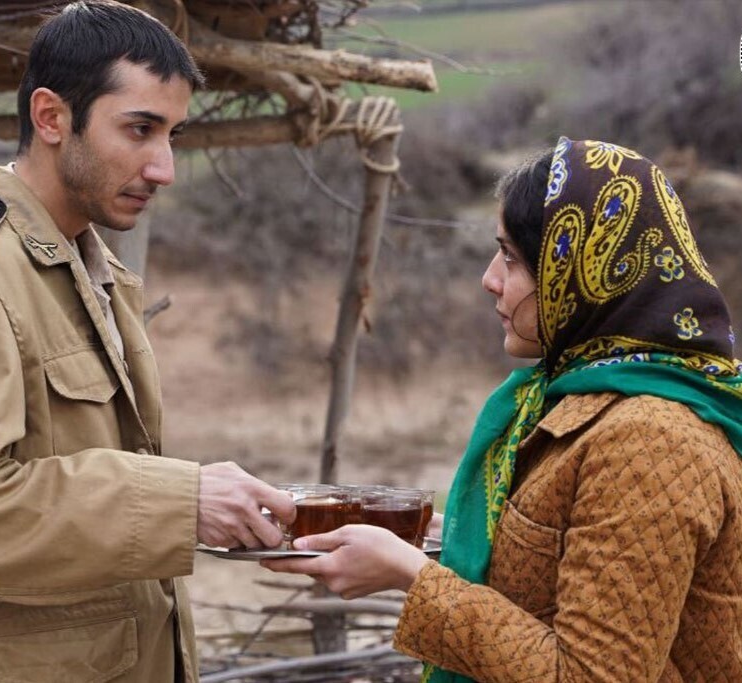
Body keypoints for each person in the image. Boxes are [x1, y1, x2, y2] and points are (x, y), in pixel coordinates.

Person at [0, 3, 294, 681]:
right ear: (51, 118)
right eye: (140, 130)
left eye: (172, 135)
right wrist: (177, 502)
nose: (164, 168)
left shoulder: (89, 266)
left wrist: (194, 505)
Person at [262, 137, 742, 681]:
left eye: (511, 258)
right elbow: (564, 560)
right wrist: (438, 538)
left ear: (582, 271)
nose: (489, 279)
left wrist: (411, 576)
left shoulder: (650, 441)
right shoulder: (577, 400)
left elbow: (589, 676)